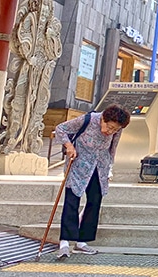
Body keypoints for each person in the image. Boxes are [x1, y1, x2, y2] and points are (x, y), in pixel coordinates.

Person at [53, 104, 131, 258]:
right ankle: (65, 241)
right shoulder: (88, 119)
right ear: (103, 119)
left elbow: (112, 148)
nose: (110, 132)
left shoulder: (117, 129)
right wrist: (68, 145)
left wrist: (109, 168)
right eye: (109, 127)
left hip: (99, 166)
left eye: (114, 130)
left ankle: (82, 242)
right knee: (72, 199)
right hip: (78, 164)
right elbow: (61, 129)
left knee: (95, 201)